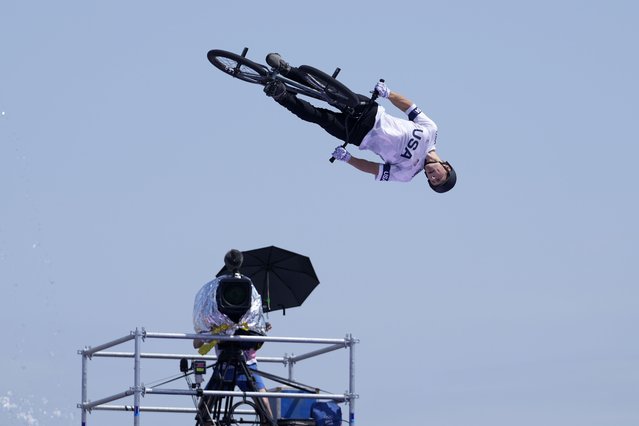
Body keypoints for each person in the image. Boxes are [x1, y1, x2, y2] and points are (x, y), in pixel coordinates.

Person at [263, 53, 456, 193]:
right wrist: (389, 94)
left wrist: (348, 159)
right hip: (372, 113)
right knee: (328, 91)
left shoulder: (407, 174)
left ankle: (280, 95)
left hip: (359, 136)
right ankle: (287, 70)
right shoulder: (431, 131)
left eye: (432, 181)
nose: (433, 176)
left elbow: (372, 168)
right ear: (446, 166)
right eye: (438, 176)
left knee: (319, 117)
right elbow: (409, 107)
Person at [192, 265, 273, 419]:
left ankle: (267, 421)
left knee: (265, 404)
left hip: (248, 366)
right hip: (224, 367)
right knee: (204, 410)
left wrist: (260, 327)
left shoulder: (249, 323)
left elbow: (256, 342)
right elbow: (196, 344)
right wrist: (212, 331)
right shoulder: (218, 324)